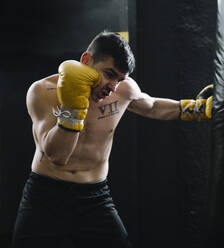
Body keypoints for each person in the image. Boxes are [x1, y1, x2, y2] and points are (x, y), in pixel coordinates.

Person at [12, 31, 213, 248]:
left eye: (120, 79)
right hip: (45, 196)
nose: (112, 87)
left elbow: (152, 106)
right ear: (86, 60)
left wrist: (195, 108)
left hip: (95, 197)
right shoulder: (43, 91)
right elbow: (58, 156)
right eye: (109, 74)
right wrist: (72, 107)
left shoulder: (123, 90)